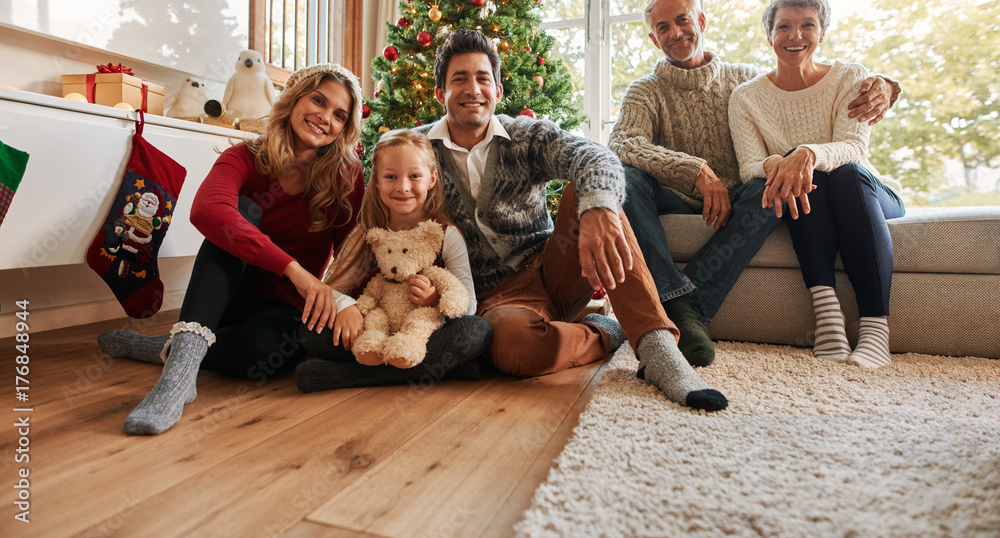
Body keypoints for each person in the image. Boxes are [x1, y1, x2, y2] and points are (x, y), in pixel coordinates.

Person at [417, 29, 728, 412]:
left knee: (591, 191)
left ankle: (659, 351)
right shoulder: (415, 151)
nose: (473, 89)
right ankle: (603, 332)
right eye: (459, 79)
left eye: (483, 79)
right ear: (439, 93)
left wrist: (598, 208)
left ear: (498, 91)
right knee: (514, 347)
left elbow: (596, 156)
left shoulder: (526, 136)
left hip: (559, 267)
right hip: (496, 300)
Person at [608, 0, 899, 367]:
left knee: (775, 183)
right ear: (653, 37)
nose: (675, 32)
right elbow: (622, 143)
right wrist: (695, 170)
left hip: (752, 196)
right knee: (625, 179)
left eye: (682, 19)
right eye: (663, 27)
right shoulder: (645, 91)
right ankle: (681, 304)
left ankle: (684, 309)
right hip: (676, 193)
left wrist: (887, 86)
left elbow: (802, 80)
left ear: (701, 21)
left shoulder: (743, 80)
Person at [97, 63, 367, 434]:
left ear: (345, 128)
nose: (325, 118)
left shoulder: (346, 176)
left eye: (339, 115)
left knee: (263, 355)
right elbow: (207, 210)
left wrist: (347, 304)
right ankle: (178, 379)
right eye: (318, 101)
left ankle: (173, 348)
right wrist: (295, 269)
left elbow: (352, 251)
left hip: (283, 308)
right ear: (294, 100)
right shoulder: (244, 157)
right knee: (240, 211)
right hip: (223, 295)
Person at [729, 0, 905, 367]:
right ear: (769, 34)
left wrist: (805, 153)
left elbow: (853, 149)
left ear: (822, 32)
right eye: (784, 26)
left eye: (807, 25)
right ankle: (828, 320)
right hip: (808, 194)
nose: (795, 36)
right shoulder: (746, 97)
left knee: (840, 174)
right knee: (803, 181)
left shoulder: (850, 78)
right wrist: (786, 164)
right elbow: (749, 167)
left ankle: (876, 330)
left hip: (865, 193)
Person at [294, 129, 492, 391]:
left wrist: (435, 300)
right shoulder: (367, 232)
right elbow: (332, 288)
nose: (403, 187)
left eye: (414, 176)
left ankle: (343, 376)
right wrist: (345, 308)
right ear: (376, 181)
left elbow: (468, 305)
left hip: (422, 334)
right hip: (372, 329)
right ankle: (448, 368)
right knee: (311, 332)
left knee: (476, 331)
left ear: (431, 179)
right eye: (390, 177)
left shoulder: (446, 234)